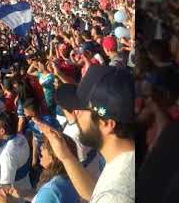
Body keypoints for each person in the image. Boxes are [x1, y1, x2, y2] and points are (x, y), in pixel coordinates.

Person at [34, 66, 135, 202]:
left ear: (106, 124)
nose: (75, 114)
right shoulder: (122, 159)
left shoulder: (116, 196)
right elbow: (93, 192)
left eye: (80, 109)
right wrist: (66, 157)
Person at [0, 134, 80, 203]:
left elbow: (47, 196)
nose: (41, 147)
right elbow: (42, 198)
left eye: (45, 146)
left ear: (54, 158)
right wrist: (24, 193)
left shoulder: (52, 189)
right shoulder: (70, 177)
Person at [55, 84, 104, 180]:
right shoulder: (92, 119)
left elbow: (80, 168)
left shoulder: (71, 135)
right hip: (101, 171)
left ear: (61, 107)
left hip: (92, 183)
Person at [0, 112, 32, 192]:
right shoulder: (21, 137)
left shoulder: (7, 154)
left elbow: (6, 186)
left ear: (2, 131)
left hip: (13, 196)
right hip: (23, 184)